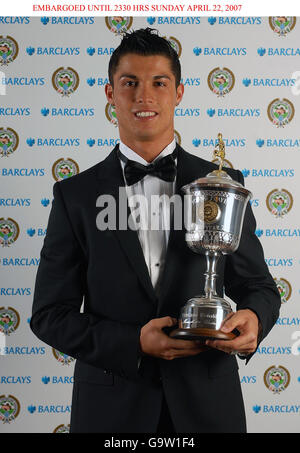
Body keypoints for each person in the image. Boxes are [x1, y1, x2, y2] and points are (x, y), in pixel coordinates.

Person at [30, 28, 281, 433]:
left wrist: (253, 318)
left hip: (208, 409)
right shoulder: (74, 196)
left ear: (178, 93)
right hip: (111, 412)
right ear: (110, 94)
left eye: (159, 83)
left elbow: (261, 287)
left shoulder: (223, 183)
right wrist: (134, 343)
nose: (144, 96)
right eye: (129, 83)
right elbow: (49, 316)